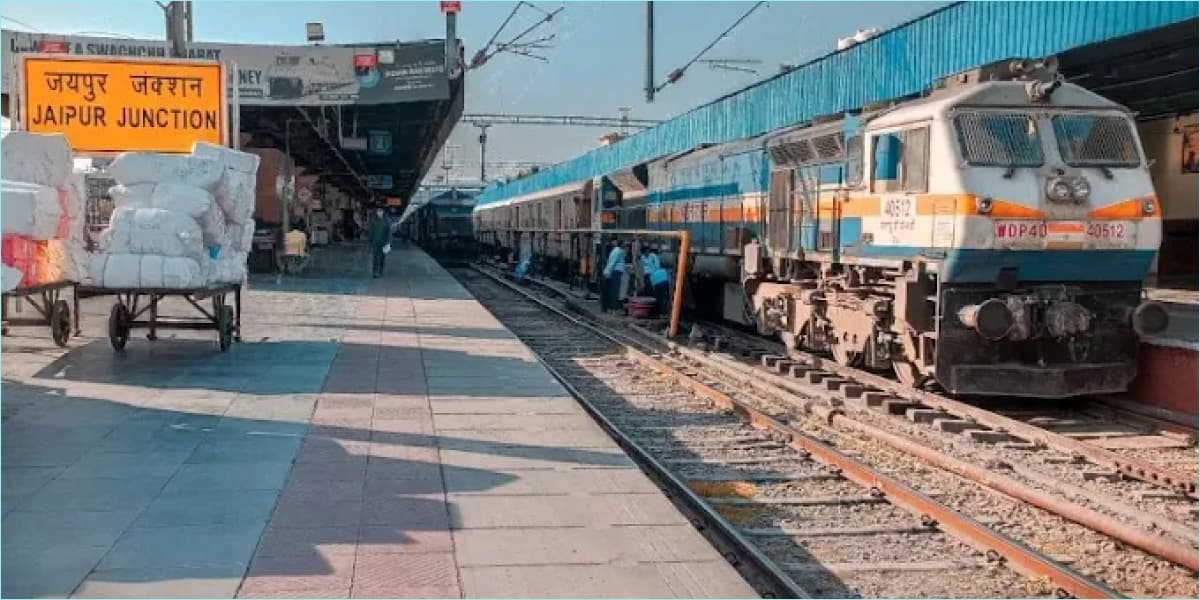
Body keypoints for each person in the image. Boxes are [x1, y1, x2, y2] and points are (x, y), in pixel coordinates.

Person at [601, 240, 626, 312]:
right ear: (621, 244)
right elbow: (612, 262)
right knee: (615, 291)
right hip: (615, 272)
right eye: (624, 243)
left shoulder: (616, 250)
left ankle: (611, 307)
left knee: (613, 290)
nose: (625, 245)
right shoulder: (618, 251)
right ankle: (613, 307)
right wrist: (607, 271)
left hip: (614, 272)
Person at [368, 206, 392, 278]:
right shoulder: (373, 221)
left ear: (383, 212)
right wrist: (370, 240)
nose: (379, 213)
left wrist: (388, 242)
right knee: (375, 258)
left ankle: (380, 271)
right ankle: (374, 272)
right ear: (376, 213)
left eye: (381, 211)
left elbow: (389, 233)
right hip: (375, 242)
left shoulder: (386, 221)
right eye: (378, 212)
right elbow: (371, 231)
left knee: (382, 258)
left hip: (383, 243)